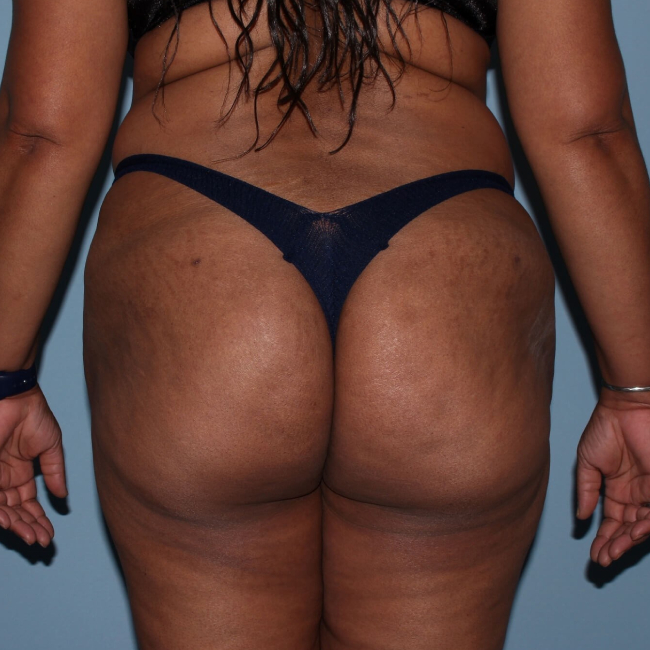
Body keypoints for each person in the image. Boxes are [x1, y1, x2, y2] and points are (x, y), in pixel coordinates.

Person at [1, 0, 649, 647]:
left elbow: (39, 137)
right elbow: (589, 132)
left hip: (208, 263)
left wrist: (6, 379)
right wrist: (638, 392)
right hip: (438, 268)